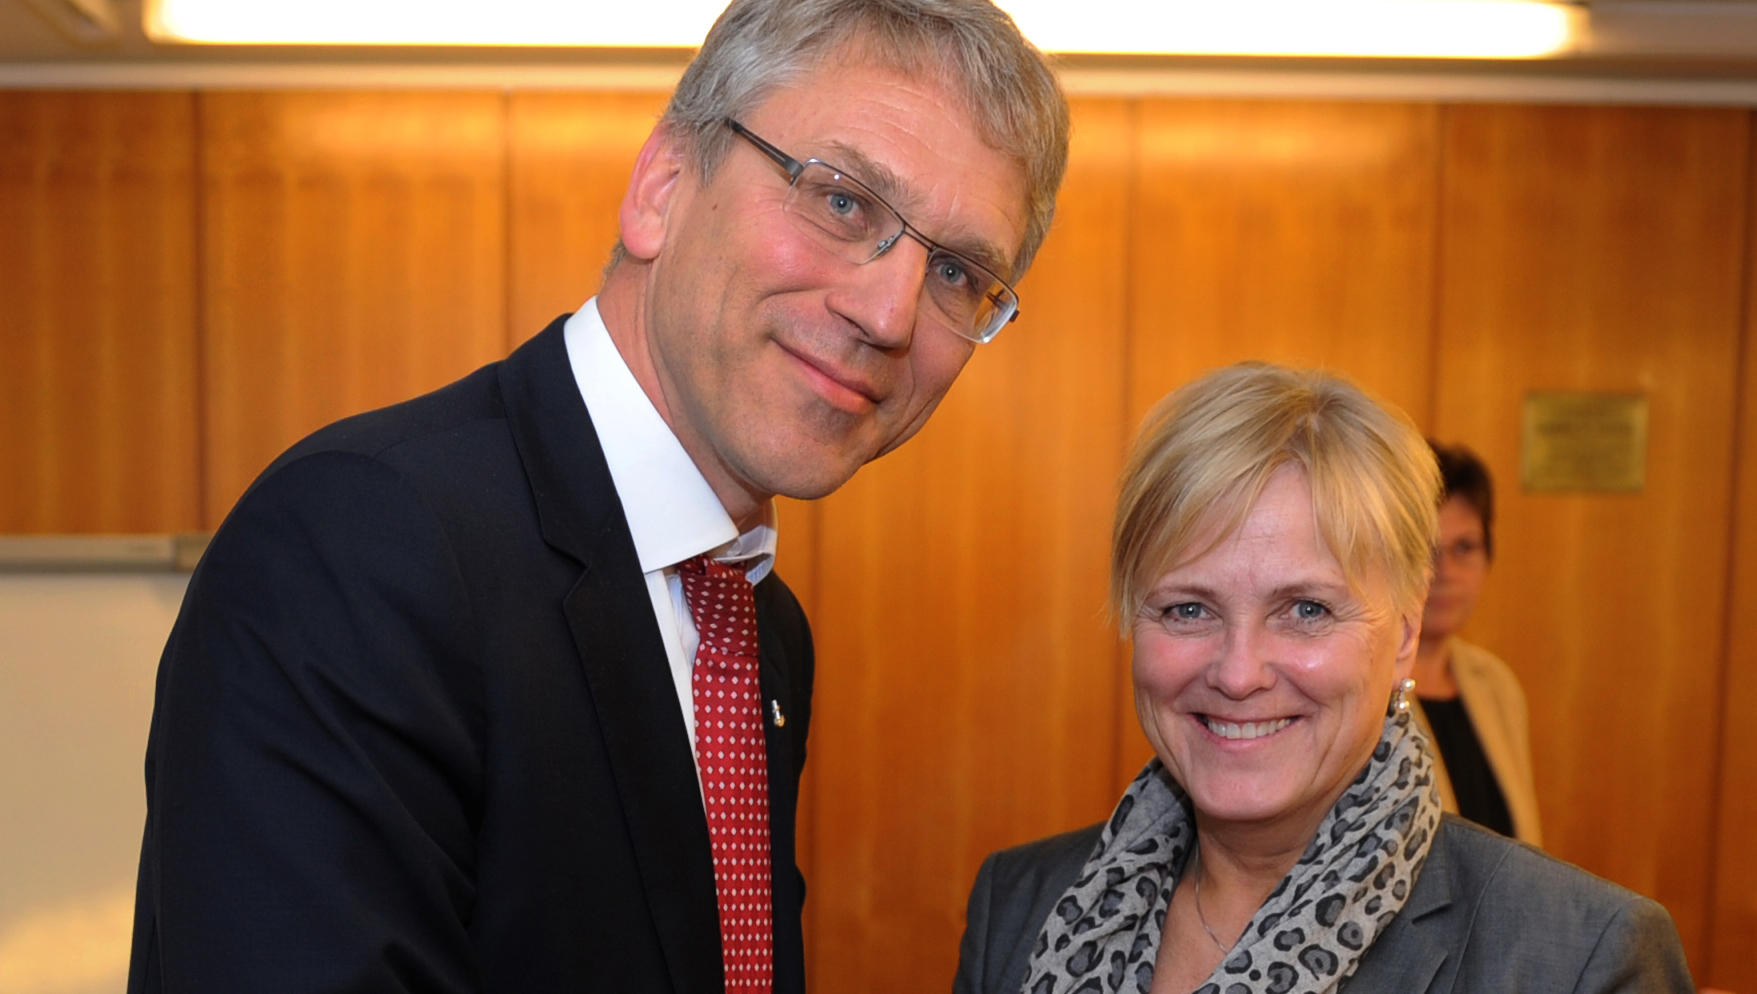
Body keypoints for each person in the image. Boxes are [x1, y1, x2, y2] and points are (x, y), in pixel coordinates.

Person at [127, 2, 1069, 991]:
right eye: (841, 201)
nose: (886, 312)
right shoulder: (361, 544)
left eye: (957, 272)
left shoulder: (754, 624)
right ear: (662, 185)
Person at [954, 363, 1692, 994]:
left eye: (1305, 609)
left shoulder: (1575, 960)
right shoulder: (1018, 904)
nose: (1238, 672)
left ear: (1402, 635)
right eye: (1187, 609)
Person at [1410, 441, 1541, 845]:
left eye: (1464, 548)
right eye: (1425, 551)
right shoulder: (1357, 688)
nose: (1445, 571)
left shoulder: (1496, 683)